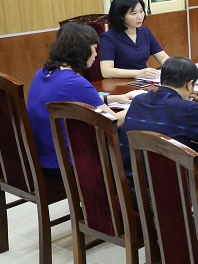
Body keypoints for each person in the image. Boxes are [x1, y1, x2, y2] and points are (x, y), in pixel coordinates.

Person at [27, 23, 135, 174]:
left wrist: (115, 98)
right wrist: (137, 107)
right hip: (65, 163)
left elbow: (72, 98)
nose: (96, 54)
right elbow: (112, 121)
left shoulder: (42, 73)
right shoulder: (76, 83)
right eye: (94, 48)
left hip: (41, 157)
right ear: (82, 50)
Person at [119, 56, 198, 181]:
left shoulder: (138, 100)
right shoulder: (188, 109)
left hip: (132, 181)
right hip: (169, 187)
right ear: (190, 85)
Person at [100, 0, 169, 79]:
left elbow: (163, 57)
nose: (140, 17)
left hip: (144, 81)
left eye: (141, 11)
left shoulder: (145, 32)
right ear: (121, 16)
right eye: (133, 13)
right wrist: (138, 73)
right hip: (120, 82)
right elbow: (106, 72)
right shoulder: (108, 38)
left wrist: (174, 67)